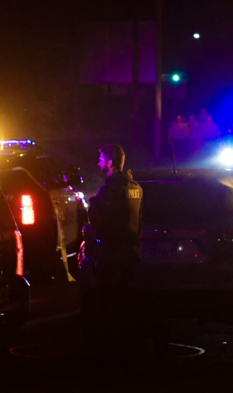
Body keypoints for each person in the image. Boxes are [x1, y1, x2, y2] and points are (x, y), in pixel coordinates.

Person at [80, 144, 143, 358]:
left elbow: (100, 219)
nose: (97, 162)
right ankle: (129, 341)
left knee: (106, 299)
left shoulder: (112, 189)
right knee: (124, 298)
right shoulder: (135, 186)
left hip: (113, 251)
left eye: (100, 159)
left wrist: (92, 206)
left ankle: (108, 347)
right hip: (131, 251)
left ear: (109, 163)